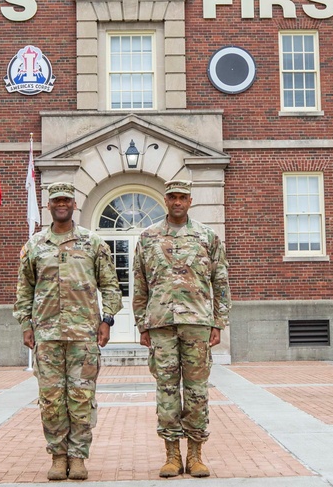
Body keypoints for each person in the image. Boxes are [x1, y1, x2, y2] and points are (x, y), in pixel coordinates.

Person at [13, 181, 122, 481]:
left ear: (74, 205)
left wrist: (107, 320)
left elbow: (111, 286)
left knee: (81, 398)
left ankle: (78, 457)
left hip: (84, 337)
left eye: (66, 200)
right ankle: (58, 456)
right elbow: (24, 290)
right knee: (50, 400)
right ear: (49, 206)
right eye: (56, 200)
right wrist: (26, 324)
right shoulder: (34, 246)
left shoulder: (93, 243)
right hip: (46, 337)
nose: (61, 204)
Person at [133, 179, 231, 479]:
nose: (177, 202)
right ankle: (172, 454)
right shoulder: (148, 237)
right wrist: (142, 324)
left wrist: (218, 322)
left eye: (183, 197)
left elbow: (221, 282)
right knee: (166, 391)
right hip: (161, 325)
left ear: (190, 201)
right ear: (165, 200)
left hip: (197, 324)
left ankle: (196, 454)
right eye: (172, 197)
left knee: (197, 391)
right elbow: (139, 284)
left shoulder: (206, 236)